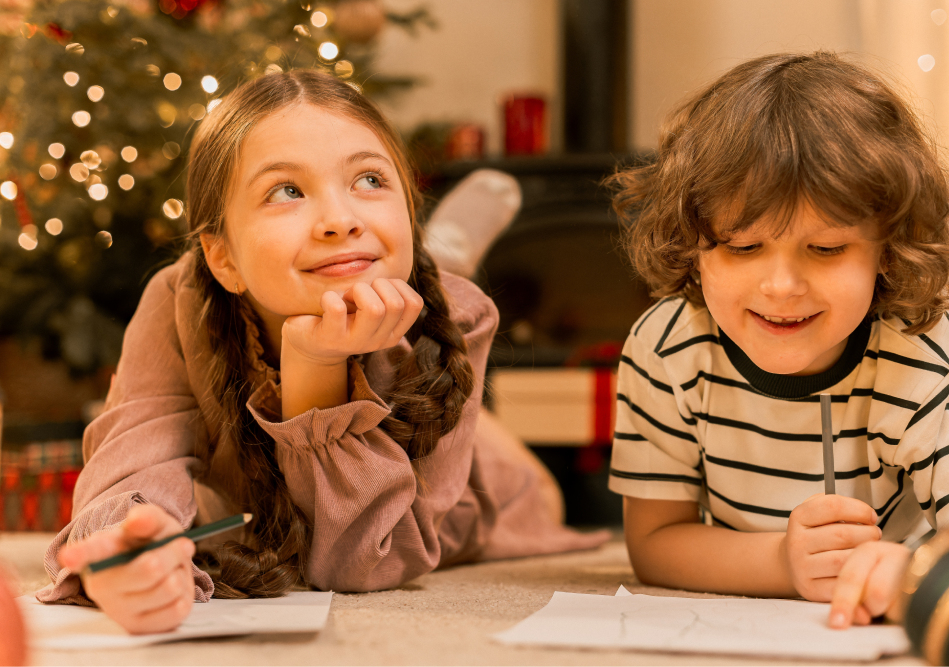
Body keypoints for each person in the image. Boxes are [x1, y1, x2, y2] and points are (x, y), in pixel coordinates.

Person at [37, 69, 606, 634]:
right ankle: (438, 248)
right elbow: (137, 455)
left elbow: (366, 561)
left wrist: (317, 366)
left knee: (532, 486)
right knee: (220, 504)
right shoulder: (178, 298)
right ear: (222, 257)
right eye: (287, 190)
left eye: (369, 181)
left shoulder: (463, 314)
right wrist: (129, 544)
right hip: (254, 486)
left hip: (474, 481)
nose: (339, 220)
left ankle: (438, 255)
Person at [608, 51, 949, 629]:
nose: (782, 287)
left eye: (827, 249)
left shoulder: (932, 363)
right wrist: (783, 562)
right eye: (743, 247)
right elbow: (654, 541)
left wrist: (906, 573)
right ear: (693, 244)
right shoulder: (665, 347)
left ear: (888, 248)